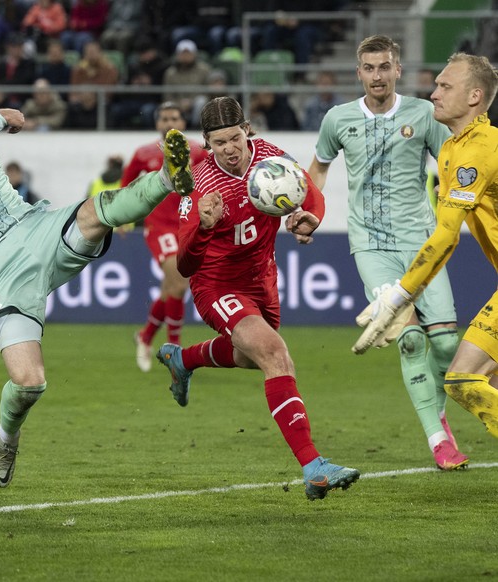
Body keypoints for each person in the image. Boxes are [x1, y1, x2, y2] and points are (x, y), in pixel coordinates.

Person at [0, 50, 194, 488]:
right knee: (29, 383)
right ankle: (6, 440)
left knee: (94, 212)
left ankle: (168, 178)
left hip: (35, 226)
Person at [156, 96, 360, 501]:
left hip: (262, 279)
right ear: (206, 144)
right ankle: (313, 466)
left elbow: (308, 191)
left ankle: (183, 358)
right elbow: (184, 262)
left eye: (235, 138)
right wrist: (204, 225)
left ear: (247, 129)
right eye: (218, 143)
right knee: (275, 354)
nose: (229, 149)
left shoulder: (271, 157)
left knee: (253, 356)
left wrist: (310, 218)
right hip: (216, 284)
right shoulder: (198, 185)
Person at [303, 35, 467, 471]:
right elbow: (319, 167)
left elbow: (451, 166)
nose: (377, 75)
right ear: (358, 73)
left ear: (398, 70)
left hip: (423, 245)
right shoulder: (338, 119)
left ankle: (439, 412)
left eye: (385, 66)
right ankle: (438, 441)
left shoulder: (423, 114)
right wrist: (307, 212)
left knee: (449, 344)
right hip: (370, 246)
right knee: (410, 339)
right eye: (369, 68)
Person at [352, 53, 498, 440]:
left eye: (445, 86)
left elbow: (446, 235)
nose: (433, 94)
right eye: (436, 85)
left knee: (465, 379)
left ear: (474, 97)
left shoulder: (478, 151)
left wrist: (399, 294)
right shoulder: (451, 149)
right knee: (482, 379)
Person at [121, 102, 208, 372]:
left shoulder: (198, 152)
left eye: (175, 117)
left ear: (183, 123)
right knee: (179, 284)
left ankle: (146, 336)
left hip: (187, 224)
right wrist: (123, 217)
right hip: (158, 226)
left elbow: (210, 184)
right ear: (157, 124)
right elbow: (126, 185)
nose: (169, 122)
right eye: (164, 118)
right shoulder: (144, 153)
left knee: (171, 288)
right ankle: (175, 352)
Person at [162, 39, 212, 128]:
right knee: (164, 106)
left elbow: (208, 91)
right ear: (177, 55)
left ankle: (196, 127)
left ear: (194, 54)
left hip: (195, 103)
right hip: (177, 103)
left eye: (188, 53)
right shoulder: (170, 72)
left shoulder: (204, 69)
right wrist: (179, 103)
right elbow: (167, 95)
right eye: (182, 53)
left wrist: (190, 102)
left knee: (201, 101)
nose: (185, 56)